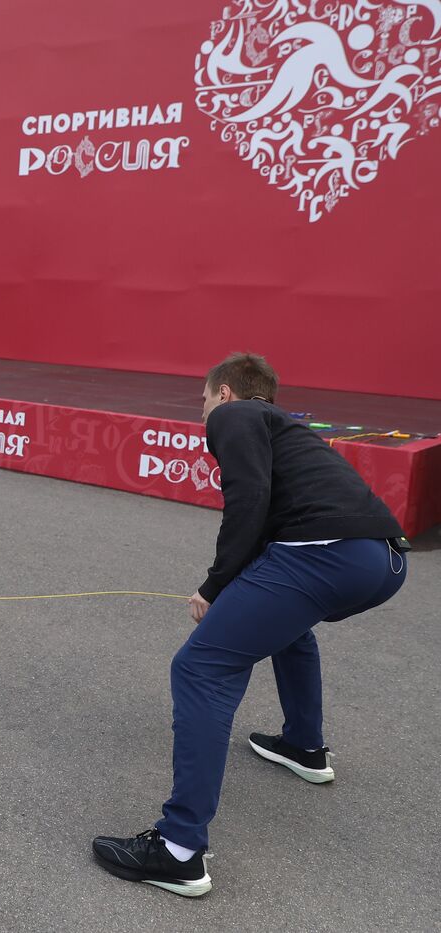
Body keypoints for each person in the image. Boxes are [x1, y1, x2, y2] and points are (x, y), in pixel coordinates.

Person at [92, 352, 409, 898]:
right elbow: (271, 519)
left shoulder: (235, 416)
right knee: (288, 628)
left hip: (324, 553)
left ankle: (178, 850)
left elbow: (249, 499)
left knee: (201, 668)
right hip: (381, 561)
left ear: (226, 394)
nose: (203, 413)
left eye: (204, 400)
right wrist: (234, 586)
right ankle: (304, 747)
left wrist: (214, 587)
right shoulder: (287, 429)